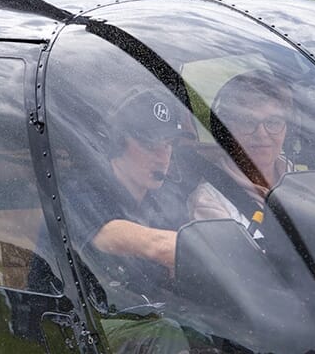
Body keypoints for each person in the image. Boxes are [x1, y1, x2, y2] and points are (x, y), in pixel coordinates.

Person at [61, 87, 199, 353]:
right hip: (80, 321)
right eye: (150, 144)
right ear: (118, 142)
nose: (162, 156)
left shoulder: (163, 198)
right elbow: (147, 243)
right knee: (166, 333)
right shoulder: (80, 192)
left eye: (168, 144)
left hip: (141, 313)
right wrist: (215, 251)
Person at [187, 69, 294, 230]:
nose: (262, 134)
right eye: (248, 121)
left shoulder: (299, 181)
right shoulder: (209, 202)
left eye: (273, 122)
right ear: (226, 129)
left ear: (287, 129)